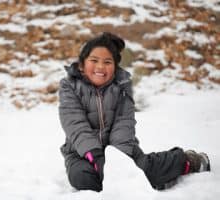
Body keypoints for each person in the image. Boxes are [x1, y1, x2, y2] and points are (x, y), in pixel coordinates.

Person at [58, 32, 211, 192]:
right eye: (94, 60)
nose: (100, 67)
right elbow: (74, 123)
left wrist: (118, 158)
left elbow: (124, 123)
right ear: (83, 62)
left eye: (107, 61)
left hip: (121, 148)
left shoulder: (122, 84)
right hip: (81, 152)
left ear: (115, 66)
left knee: (141, 170)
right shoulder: (69, 85)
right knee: (82, 178)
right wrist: (94, 154)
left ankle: (186, 160)